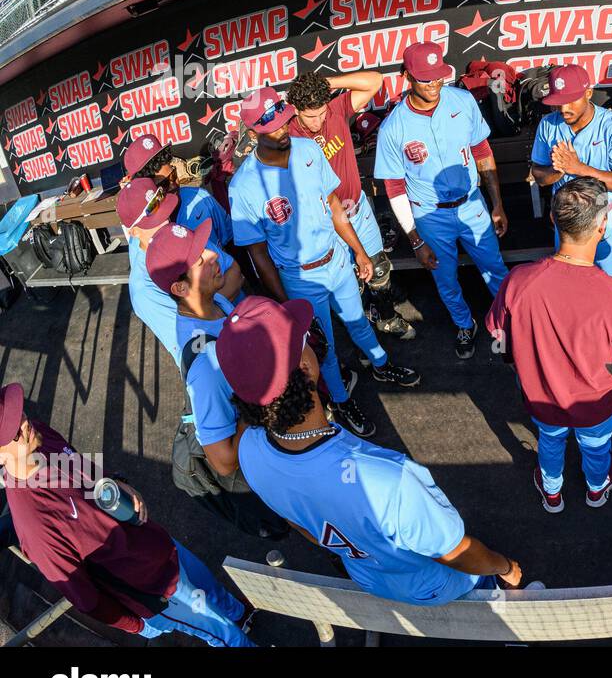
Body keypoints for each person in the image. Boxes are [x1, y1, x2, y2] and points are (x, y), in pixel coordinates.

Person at [227, 296, 535, 602]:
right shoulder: (387, 480)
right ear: (305, 367)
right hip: (432, 583)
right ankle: (500, 603)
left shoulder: (248, 452)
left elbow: (302, 525)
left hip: (369, 577)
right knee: (484, 589)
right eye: (303, 338)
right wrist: (505, 567)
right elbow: (455, 552)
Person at [228, 87, 420, 438]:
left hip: (337, 261)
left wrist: (359, 251)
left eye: (286, 121)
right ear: (254, 131)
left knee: (359, 321)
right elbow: (257, 254)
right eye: (274, 127)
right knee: (323, 347)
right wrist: (284, 303)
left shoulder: (307, 148)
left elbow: (333, 204)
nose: (284, 130)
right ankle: (343, 401)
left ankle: (381, 364)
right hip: (300, 278)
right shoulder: (243, 186)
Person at [0, 383, 255, 646]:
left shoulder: (37, 436)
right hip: (152, 586)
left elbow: (81, 468)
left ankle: (242, 614)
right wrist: (136, 625)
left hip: (154, 541)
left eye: (16, 413)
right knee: (222, 633)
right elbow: (86, 598)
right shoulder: (35, 526)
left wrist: (116, 481)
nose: (24, 423)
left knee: (209, 585)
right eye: (11, 432)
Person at [486, 178, 612, 513]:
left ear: (553, 219)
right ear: (602, 223)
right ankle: (596, 489)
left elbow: (500, 335)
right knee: (596, 448)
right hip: (595, 402)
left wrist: (515, 364)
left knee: (549, 441)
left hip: (541, 397)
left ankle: (552, 492)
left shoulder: (518, 281)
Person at [147, 218, 290, 539]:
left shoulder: (214, 303)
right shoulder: (205, 367)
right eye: (200, 260)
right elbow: (223, 462)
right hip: (263, 468)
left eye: (205, 250)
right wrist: (259, 405)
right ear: (180, 288)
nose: (214, 257)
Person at [374, 44, 512, 358]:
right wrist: (415, 239)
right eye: (425, 79)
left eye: (437, 76)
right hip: (430, 216)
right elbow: (395, 189)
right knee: (445, 279)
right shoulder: (393, 128)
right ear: (406, 76)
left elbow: (482, 153)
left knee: (495, 269)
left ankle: (507, 324)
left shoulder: (462, 100)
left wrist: (497, 204)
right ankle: (465, 324)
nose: (434, 84)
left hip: (472, 204)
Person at [287, 69, 414, 339]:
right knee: (349, 283)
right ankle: (362, 337)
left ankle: (387, 317)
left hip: (356, 207)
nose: (319, 121)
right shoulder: (288, 135)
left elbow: (375, 81)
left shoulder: (335, 108)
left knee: (378, 268)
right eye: (311, 116)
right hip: (326, 223)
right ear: (296, 110)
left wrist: (327, 84)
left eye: (321, 113)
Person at [117, 176, 243, 369]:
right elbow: (195, 342)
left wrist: (206, 302)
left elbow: (235, 271)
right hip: (223, 366)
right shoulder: (143, 288)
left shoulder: (179, 233)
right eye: (153, 220)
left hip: (245, 328)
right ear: (133, 232)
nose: (166, 220)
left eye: (164, 211)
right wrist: (214, 299)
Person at [530, 64, 612, 283]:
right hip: (565, 216)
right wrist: (557, 170)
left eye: (571, 100)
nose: (563, 109)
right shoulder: (548, 124)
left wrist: (578, 169)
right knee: (571, 283)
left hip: (602, 215)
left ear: (588, 93)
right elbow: (539, 176)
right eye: (558, 102)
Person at [123, 132, 234, 253]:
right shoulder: (142, 239)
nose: (174, 184)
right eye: (164, 183)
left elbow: (230, 241)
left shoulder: (200, 197)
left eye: (174, 174)